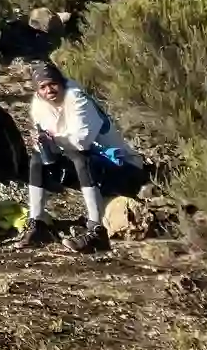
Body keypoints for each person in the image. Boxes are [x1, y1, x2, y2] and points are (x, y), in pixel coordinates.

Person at [20, 61, 149, 253]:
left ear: (62, 83)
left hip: (124, 169)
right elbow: (54, 145)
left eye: (53, 84)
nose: (49, 90)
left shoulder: (77, 99)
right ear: (38, 91)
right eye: (43, 87)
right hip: (94, 169)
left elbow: (82, 142)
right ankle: (37, 223)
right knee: (38, 159)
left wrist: (52, 140)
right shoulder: (39, 105)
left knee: (81, 159)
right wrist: (44, 143)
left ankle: (97, 231)